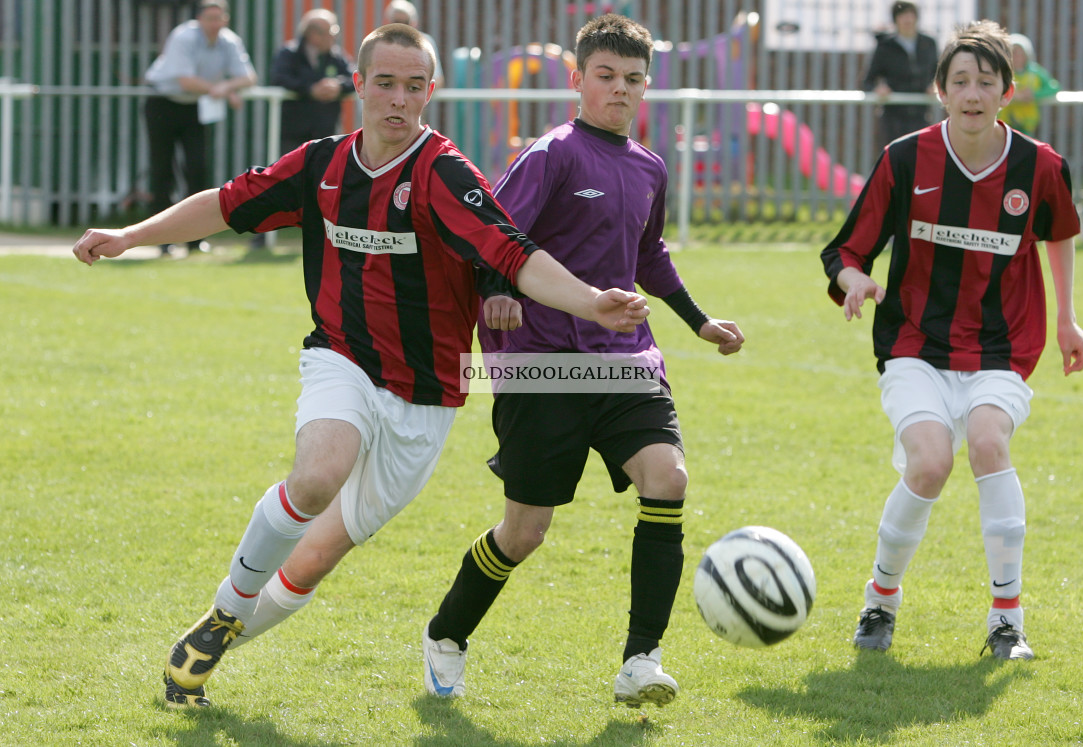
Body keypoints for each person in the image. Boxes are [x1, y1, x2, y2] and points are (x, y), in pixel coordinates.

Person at [73, 23, 650, 710]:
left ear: (431, 92)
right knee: (317, 474)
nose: (398, 101)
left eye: (414, 87)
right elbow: (224, 205)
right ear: (360, 84)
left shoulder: (444, 174)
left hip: (428, 397)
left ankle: (207, 650)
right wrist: (130, 235)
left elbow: (516, 256)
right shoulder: (321, 165)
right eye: (386, 84)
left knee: (315, 556)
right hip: (340, 358)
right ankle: (227, 609)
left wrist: (591, 302)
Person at [421, 14, 744, 708]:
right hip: (543, 364)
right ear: (577, 80)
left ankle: (641, 659)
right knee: (525, 530)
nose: (619, 90)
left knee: (668, 476)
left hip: (627, 358)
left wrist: (699, 321)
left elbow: (648, 256)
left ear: (645, 87)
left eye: (633, 79)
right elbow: (496, 233)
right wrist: (499, 292)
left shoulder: (651, 167)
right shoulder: (554, 154)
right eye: (606, 76)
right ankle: (447, 633)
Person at [822, 20, 1083, 661]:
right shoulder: (905, 159)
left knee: (990, 443)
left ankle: (1008, 620)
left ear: (1008, 92)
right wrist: (855, 279)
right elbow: (845, 249)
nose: (973, 93)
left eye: (986, 82)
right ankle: (879, 602)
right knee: (930, 463)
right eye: (961, 81)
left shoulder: (1040, 166)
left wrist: (1067, 319)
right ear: (940, 91)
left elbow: (1059, 234)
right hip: (915, 342)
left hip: (1003, 344)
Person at [144, 0, 256, 257]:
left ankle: (195, 239)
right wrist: (219, 90)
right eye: (209, 18)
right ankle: (163, 241)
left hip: (195, 108)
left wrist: (225, 89)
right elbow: (185, 81)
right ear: (199, 20)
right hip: (163, 104)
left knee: (198, 167)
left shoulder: (229, 40)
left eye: (219, 18)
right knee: (162, 170)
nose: (215, 23)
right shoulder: (183, 36)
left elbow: (249, 77)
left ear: (225, 19)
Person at [251, 9, 356, 250]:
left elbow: (354, 78)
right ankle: (263, 235)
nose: (334, 37)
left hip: (326, 133)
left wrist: (337, 86)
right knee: (280, 181)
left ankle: (331, 239)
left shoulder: (336, 56)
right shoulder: (289, 53)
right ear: (312, 34)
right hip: (293, 132)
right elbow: (279, 78)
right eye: (331, 32)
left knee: (328, 183)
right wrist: (311, 88)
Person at [863, 1, 939, 151]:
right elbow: (868, 81)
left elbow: (938, 73)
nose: (908, 20)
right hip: (893, 117)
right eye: (903, 16)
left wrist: (935, 85)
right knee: (894, 159)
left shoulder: (929, 43)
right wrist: (879, 89)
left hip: (921, 115)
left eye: (911, 16)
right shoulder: (885, 46)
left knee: (920, 159)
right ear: (895, 20)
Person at [998, 33, 1060, 137]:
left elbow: (1054, 87)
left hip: (1026, 124)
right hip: (1004, 123)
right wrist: (1011, 95)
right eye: (1013, 53)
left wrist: (1034, 95)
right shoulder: (1002, 72)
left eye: (1020, 53)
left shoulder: (1035, 72)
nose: (1017, 57)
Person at [385, 0, 444, 89]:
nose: (401, 27)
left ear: (413, 23)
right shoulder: (379, 42)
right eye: (396, 22)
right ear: (389, 22)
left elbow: (437, 80)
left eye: (405, 22)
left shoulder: (425, 42)